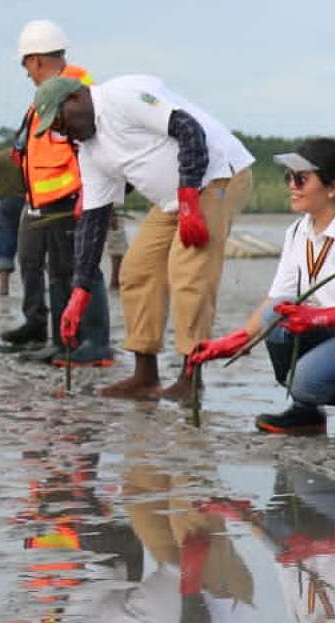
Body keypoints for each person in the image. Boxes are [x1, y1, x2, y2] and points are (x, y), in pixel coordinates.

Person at [31, 73, 254, 399]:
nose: (61, 132)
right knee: (136, 270)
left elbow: (189, 129)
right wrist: (80, 291)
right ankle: (145, 375)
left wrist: (190, 201)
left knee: (188, 270)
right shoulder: (90, 153)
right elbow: (93, 222)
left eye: (59, 121)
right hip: (174, 199)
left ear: (75, 98)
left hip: (217, 176)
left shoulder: (122, 96)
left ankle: (190, 378)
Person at [186, 138, 335, 433]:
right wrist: (236, 341)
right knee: (275, 316)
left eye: (301, 178)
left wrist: (314, 317)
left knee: (306, 380)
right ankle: (307, 412)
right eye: (289, 178)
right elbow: (278, 297)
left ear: (332, 188)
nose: (291, 186)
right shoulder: (298, 231)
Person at [0, 20, 113, 366]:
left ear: (35, 60)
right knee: (60, 271)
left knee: (83, 268)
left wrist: (83, 194)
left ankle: (94, 343)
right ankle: (64, 340)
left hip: (71, 195)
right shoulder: (51, 91)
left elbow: (88, 145)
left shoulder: (74, 88)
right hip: (49, 199)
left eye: (26, 65)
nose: (27, 73)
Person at [0, 132, 27, 296]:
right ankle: (32, 285)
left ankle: (4, 287)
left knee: (6, 242)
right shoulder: (31, 156)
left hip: (6, 203)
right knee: (30, 244)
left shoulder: (0, 157)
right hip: (29, 204)